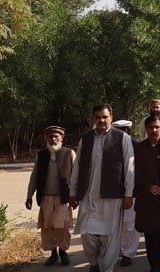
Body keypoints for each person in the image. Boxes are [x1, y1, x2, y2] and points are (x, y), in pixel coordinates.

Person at [69, 104, 135, 272]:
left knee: (110, 237)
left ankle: (106, 268)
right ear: (93, 119)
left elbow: (129, 168)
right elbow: (77, 167)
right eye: (98, 117)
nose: (101, 120)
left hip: (112, 197)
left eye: (105, 117)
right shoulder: (86, 139)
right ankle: (94, 263)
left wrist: (128, 194)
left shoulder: (122, 138)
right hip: (89, 195)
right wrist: (73, 193)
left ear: (111, 118)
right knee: (87, 234)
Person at [26, 125, 75, 267]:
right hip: (46, 197)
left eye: (56, 136)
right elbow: (34, 176)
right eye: (50, 136)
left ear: (62, 138)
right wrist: (29, 196)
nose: (53, 139)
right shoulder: (41, 155)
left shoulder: (69, 153)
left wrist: (75, 196)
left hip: (63, 198)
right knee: (48, 227)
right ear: (46, 138)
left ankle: (63, 252)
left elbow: (76, 176)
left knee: (61, 226)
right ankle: (53, 253)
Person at [134, 115, 160, 272]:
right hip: (147, 200)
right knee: (151, 236)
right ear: (146, 129)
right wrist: (148, 186)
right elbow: (134, 173)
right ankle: (154, 266)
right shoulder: (138, 148)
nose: (154, 130)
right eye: (151, 127)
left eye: (157, 127)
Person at [112, 120, 139, 266]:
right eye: (118, 130)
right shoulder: (109, 144)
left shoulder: (135, 144)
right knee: (115, 224)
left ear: (128, 130)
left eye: (124, 130)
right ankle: (116, 250)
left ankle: (128, 254)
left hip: (132, 191)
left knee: (130, 224)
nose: (121, 133)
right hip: (112, 192)